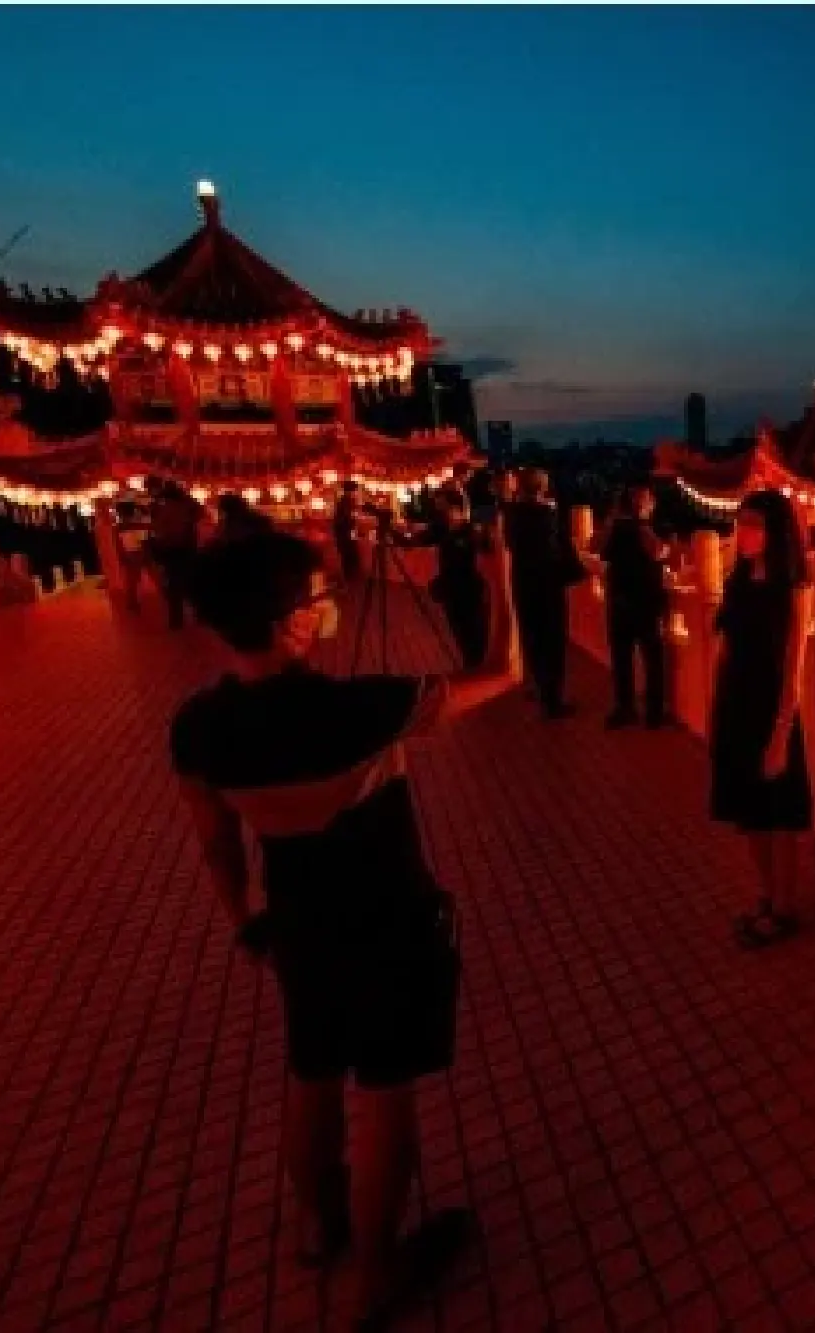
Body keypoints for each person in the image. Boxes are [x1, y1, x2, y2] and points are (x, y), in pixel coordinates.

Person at [170, 530, 516, 1331]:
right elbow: (499, 677)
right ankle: (376, 1272)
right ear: (290, 621)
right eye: (319, 597)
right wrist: (500, 588)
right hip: (387, 915)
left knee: (313, 1072)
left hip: (297, 920)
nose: (328, 609)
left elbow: (217, 842)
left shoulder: (199, 728)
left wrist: (248, 923)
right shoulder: (356, 707)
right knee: (385, 1097)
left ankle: (317, 1226)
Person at [709, 488, 815, 948]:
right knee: (750, 815)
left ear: (775, 530)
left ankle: (786, 908)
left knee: (779, 818)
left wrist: (781, 733)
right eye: (741, 522)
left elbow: (794, 668)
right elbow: (724, 653)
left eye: (754, 523)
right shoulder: (736, 581)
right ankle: (767, 896)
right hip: (736, 706)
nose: (745, 531)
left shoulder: (793, 587)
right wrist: (714, 711)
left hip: (772, 709)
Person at [501, 468, 586, 719]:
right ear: (541, 487)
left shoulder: (512, 514)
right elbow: (554, 551)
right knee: (552, 641)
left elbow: (509, 544)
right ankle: (552, 700)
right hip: (547, 585)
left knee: (532, 637)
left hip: (522, 582)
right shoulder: (545, 515)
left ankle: (539, 686)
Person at [600, 483, 670, 728]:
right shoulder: (639, 529)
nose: (651, 505)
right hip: (642, 603)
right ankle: (653, 712)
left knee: (622, 659)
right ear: (641, 504)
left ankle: (626, 707)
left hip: (620, 601)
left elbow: (600, 551)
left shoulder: (616, 527)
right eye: (648, 501)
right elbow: (660, 552)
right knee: (652, 658)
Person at [429, 492, 490, 671]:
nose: (443, 513)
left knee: (473, 631)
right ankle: (470, 664)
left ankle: (476, 666)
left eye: (446, 508)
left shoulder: (470, 531)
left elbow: (482, 554)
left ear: (458, 509)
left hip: (468, 591)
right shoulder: (448, 532)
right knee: (459, 631)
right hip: (452, 592)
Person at [146, 480, 202, 629]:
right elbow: (200, 514)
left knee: (173, 582)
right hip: (187, 546)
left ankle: (176, 618)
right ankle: (198, 612)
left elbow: (158, 528)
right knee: (190, 580)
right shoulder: (188, 506)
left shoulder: (163, 507)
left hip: (171, 548)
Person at [334, 482, 365, 585]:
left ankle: (349, 578)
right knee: (349, 556)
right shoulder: (345, 502)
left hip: (344, 534)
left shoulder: (345, 502)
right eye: (354, 491)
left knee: (348, 556)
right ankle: (349, 579)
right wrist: (353, 520)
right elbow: (344, 519)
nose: (355, 493)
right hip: (344, 534)